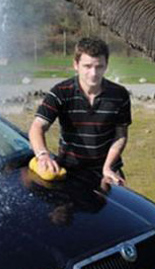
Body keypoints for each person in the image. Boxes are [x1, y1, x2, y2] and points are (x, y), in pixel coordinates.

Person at [29, 37, 131, 186]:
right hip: (69, 170)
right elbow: (37, 126)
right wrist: (43, 155)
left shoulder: (120, 95)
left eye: (99, 67)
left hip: (108, 171)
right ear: (76, 65)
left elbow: (120, 136)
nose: (93, 73)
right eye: (87, 66)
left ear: (106, 65)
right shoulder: (60, 92)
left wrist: (108, 167)